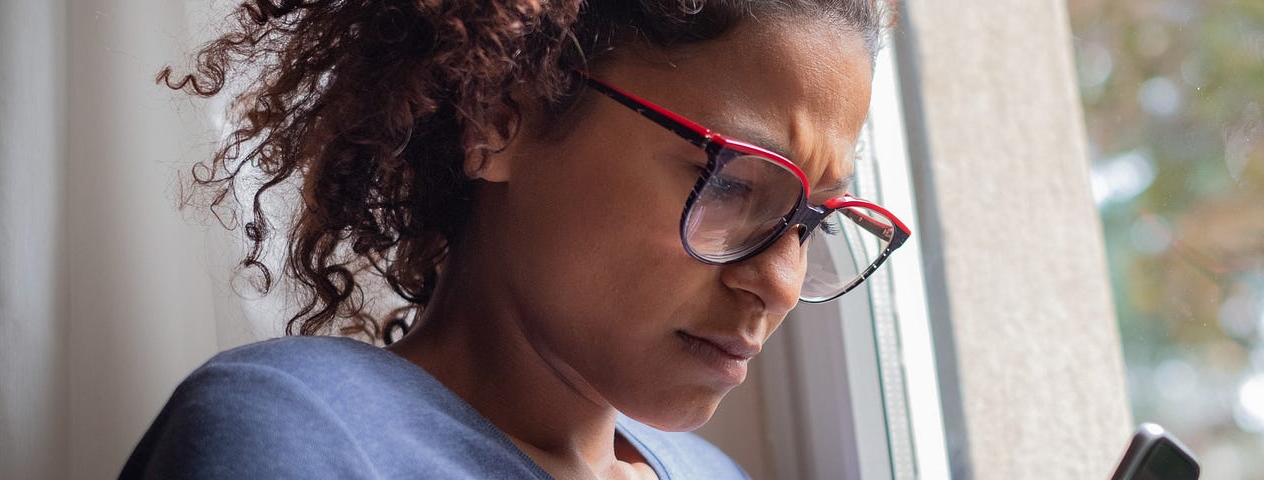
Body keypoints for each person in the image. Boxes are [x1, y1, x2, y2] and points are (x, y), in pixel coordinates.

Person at [120, 0, 908, 478]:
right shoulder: (299, 434)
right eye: (735, 184)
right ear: (503, 115)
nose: (777, 284)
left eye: (811, 222)